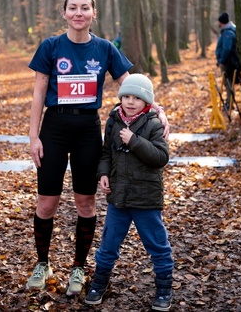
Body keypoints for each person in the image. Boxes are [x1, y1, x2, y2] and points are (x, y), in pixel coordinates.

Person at [26, 0, 170, 297]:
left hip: (87, 129)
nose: (79, 13)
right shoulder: (50, 47)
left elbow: (133, 86)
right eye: (73, 8)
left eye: (85, 8)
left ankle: (78, 267)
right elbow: (38, 93)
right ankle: (42, 263)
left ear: (94, 13)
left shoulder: (105, 48)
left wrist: (158, 110)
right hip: (54, 127)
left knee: (85, 202)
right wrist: (33, 136)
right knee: (46, 203)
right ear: (64, 13)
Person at [85, 74, 174, 311]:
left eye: (136, 98)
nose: (130, 101)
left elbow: (161, 158)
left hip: (146, 198)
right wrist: (103, 174)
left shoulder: (155, 124)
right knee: (108, 243)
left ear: (146, 102)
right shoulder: (114, 120)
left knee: (157, 243)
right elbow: (107, 153)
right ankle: (99, 283)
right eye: (126, 96)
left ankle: (164, 289)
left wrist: (134, 141)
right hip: (119, 197)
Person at [215, 12, 241, 107]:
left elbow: (227, 48)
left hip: (228, 63)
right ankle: (229, 102)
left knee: (228, 83)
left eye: (219, 22)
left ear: (221, 22)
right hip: (229, 62)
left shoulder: (228, 33)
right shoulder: (228, 31)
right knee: (228, 83)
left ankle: (230, 103)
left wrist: (222, 61)